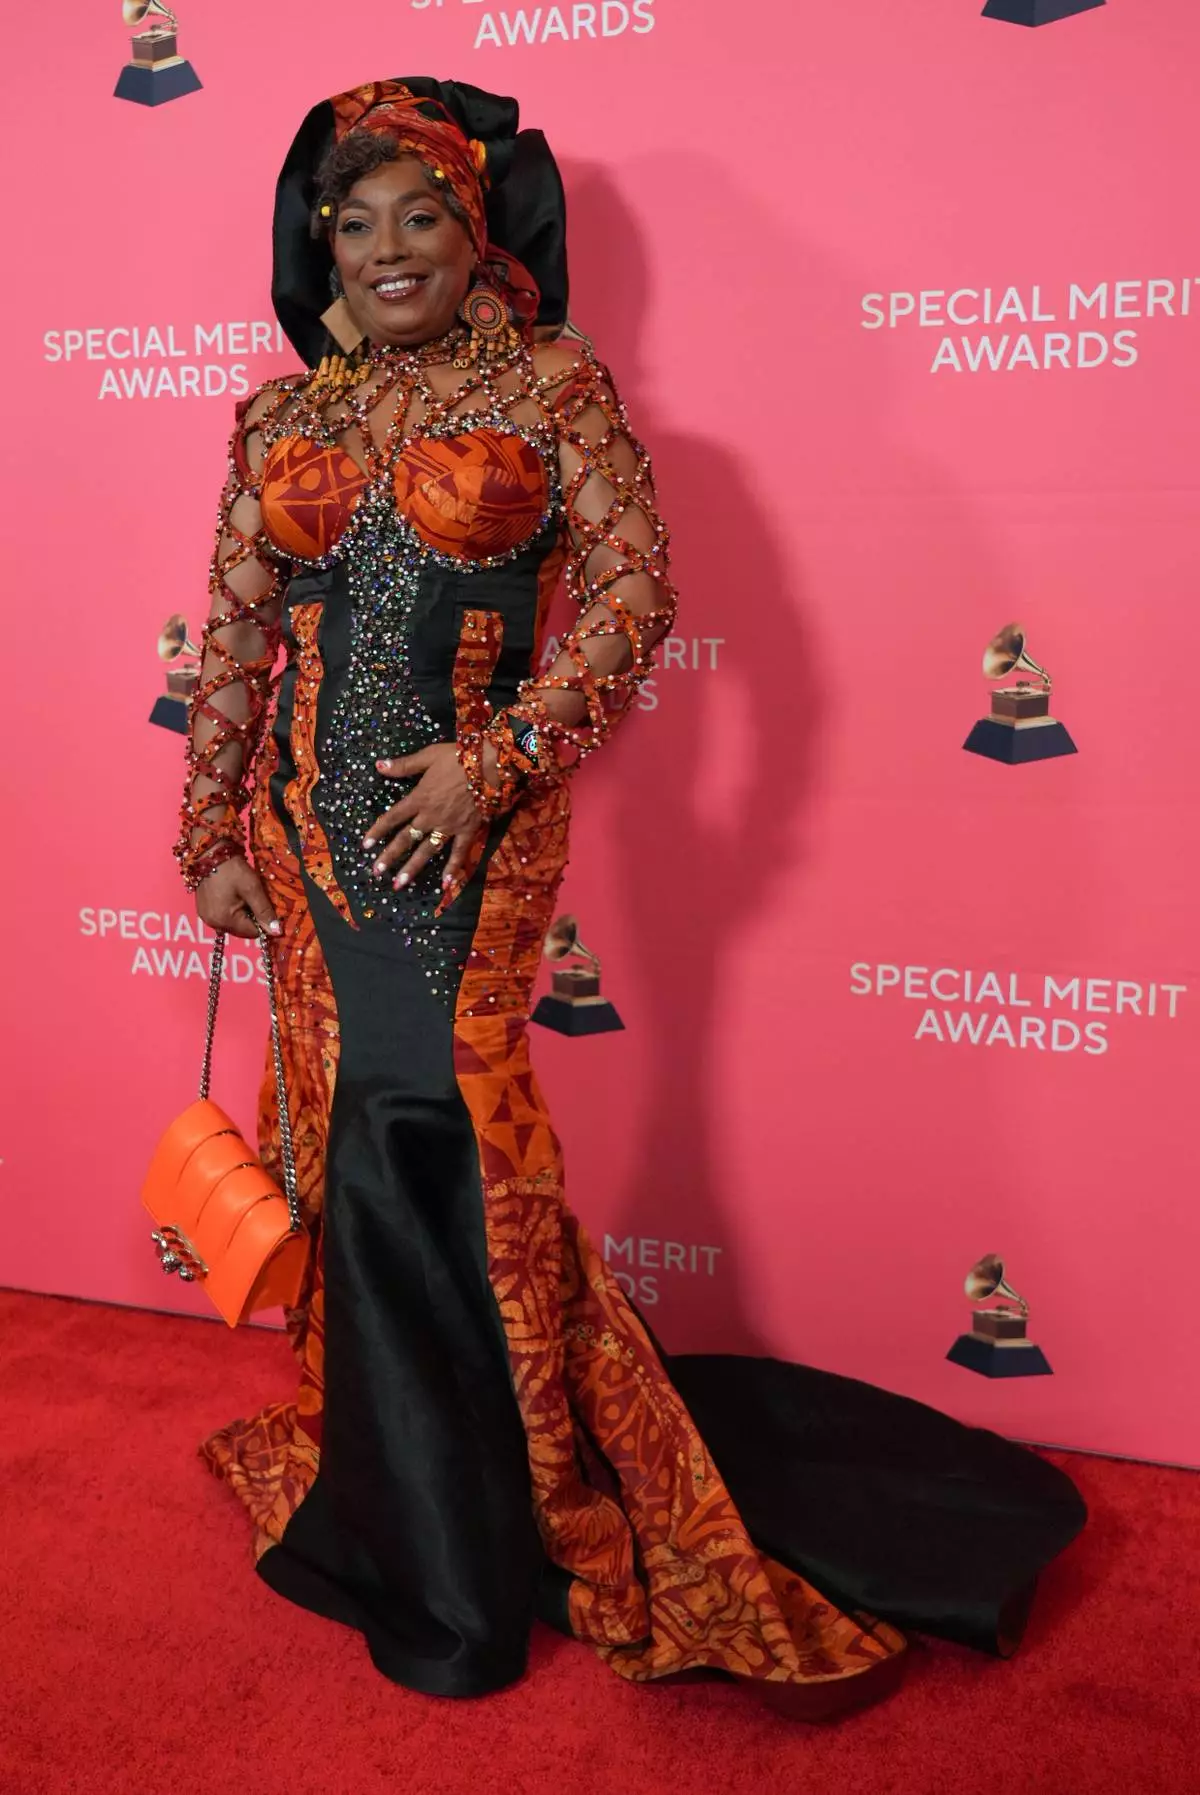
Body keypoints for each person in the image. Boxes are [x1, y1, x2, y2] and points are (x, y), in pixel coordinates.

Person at [177, 77, 1085, 1720]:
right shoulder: (280, 417)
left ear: (478, 239)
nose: (388, 249)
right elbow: (235, 635)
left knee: (464, 1133)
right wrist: (210, 832)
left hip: (474, 843)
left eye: (422, 216)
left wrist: (496, 761)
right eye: (355, 224)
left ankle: (526, 1497)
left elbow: (635, 594)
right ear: (323, 251)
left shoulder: (550, 385)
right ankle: (394, 1497)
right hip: (312, 850)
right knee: (358, 1144)